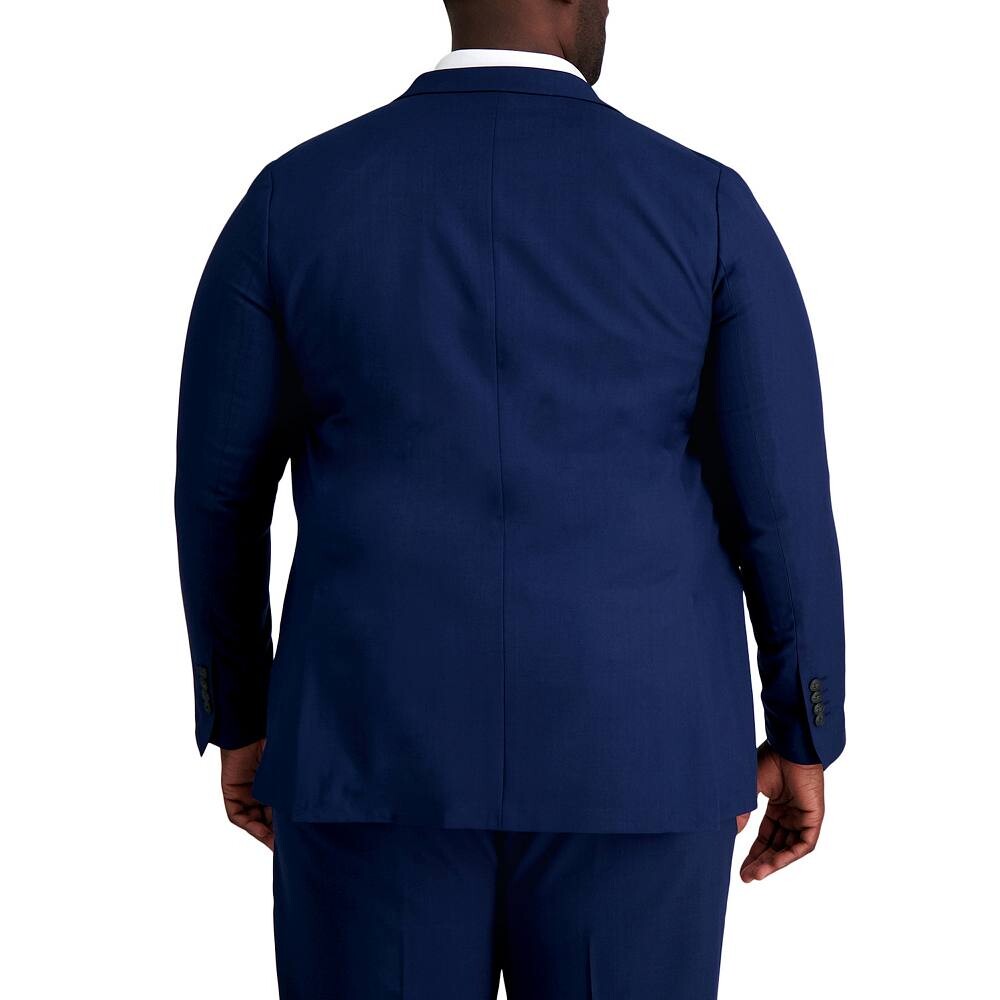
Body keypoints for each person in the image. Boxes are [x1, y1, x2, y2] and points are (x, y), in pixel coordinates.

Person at [174, 1, 845, 996]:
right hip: (638, 763)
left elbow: (219, 494)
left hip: (367, 756)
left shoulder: (293, 198)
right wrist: (803, 728)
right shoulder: (704, 204)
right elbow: (780, 502)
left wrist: (240, 715)